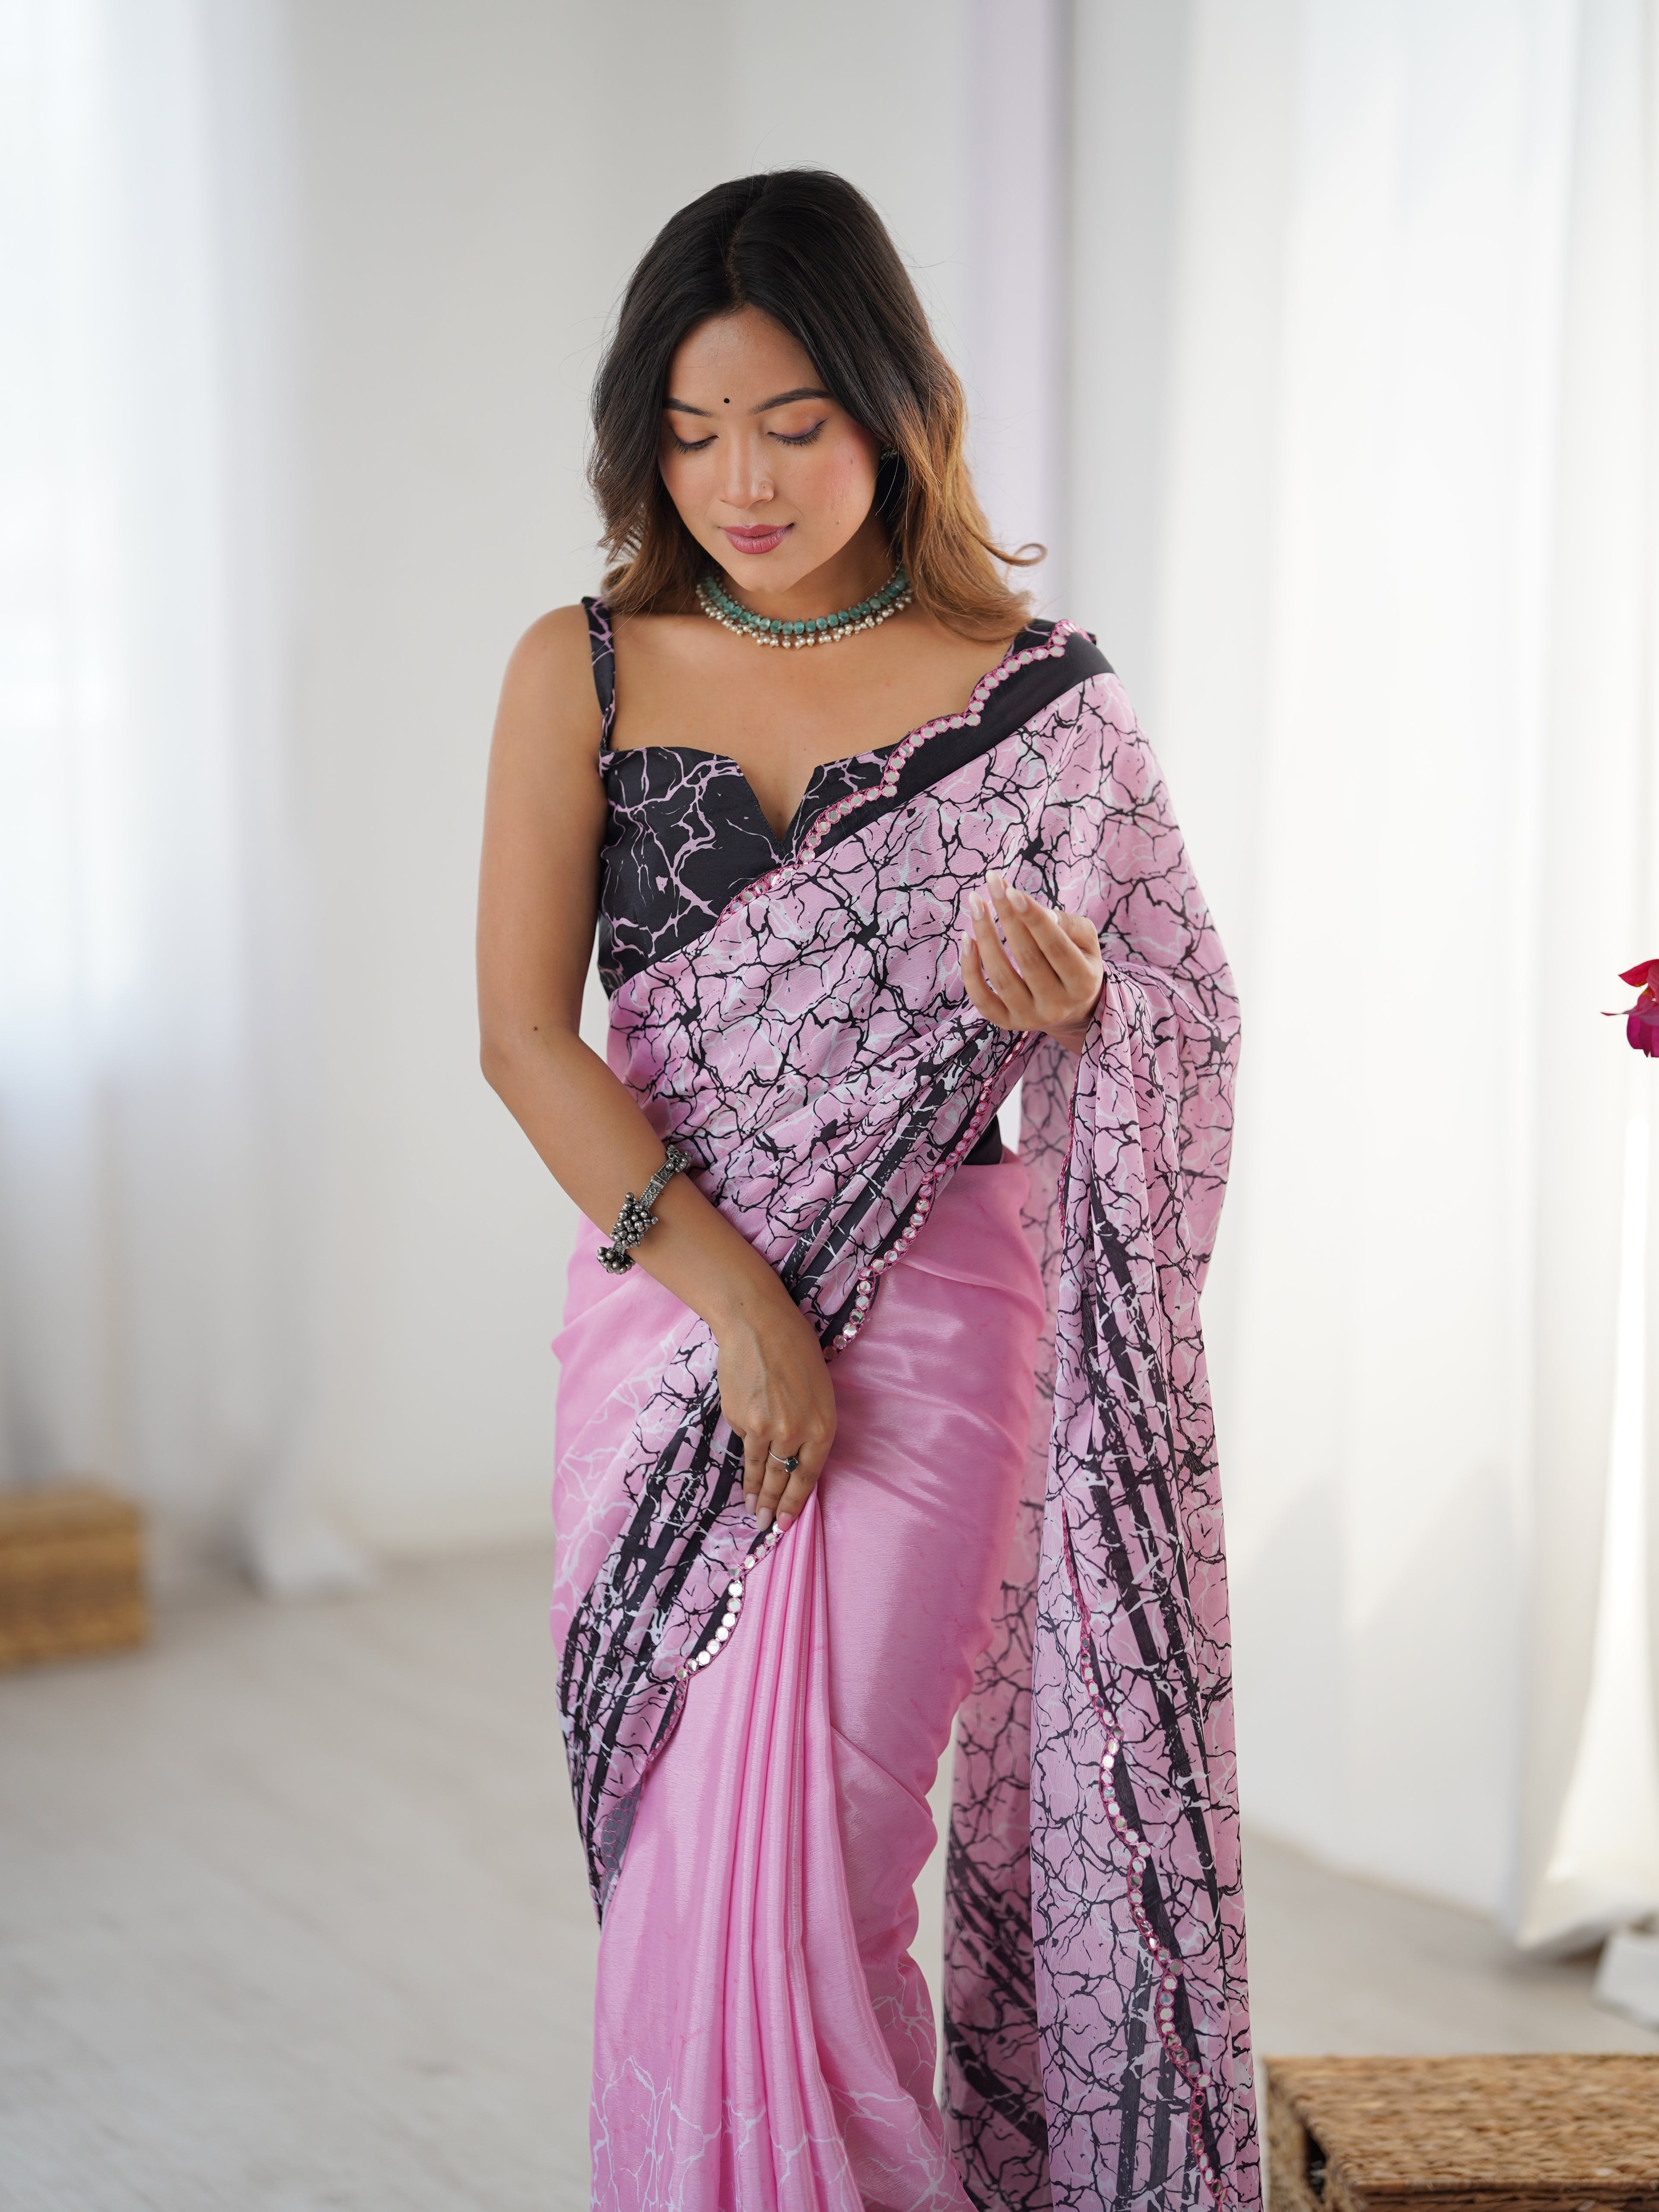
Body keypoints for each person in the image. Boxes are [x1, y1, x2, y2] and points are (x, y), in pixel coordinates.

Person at [477, 168, 1257, 2212]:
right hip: (664, 1342)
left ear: (896, 407)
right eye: (690, 428)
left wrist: (1080, 1004)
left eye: (793, 422)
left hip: (940, 1325)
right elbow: (527, 1039)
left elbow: (1178, 1009)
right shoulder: (583, 665)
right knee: (679, 1872)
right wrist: (740, 1308)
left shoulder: (1040, 698)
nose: (740, 476)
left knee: (830, 1861)